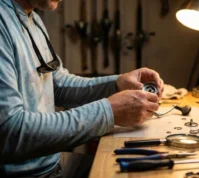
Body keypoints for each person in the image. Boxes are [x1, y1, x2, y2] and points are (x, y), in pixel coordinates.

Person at [0, 0, 164, 177]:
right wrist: (108, 112)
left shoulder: (34, 19)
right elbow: (10, 131)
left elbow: (58, 84)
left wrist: (117, 83)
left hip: (51, 163)